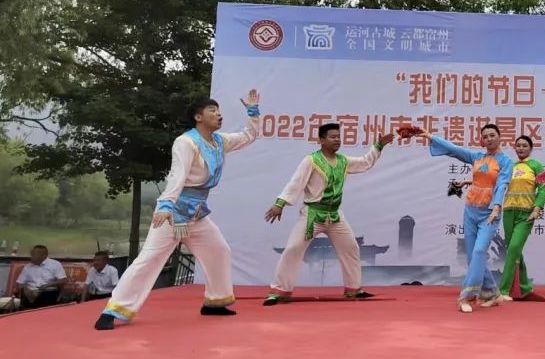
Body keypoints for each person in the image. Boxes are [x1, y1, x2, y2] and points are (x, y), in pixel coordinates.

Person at [94, 90, 261, 330]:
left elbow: (248, 136)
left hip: (197, 213)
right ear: (198, 117)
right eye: (212, 110)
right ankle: (113, 310)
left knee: (219, 251)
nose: (218, 114)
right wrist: (165, 205)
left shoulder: (219, 141)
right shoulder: (186, 142)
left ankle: (215, 302)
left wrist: (253, 112)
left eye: (219, 110)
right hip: (173, 214)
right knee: (149, 259)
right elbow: (177, 175)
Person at [263, 122, 395, 305]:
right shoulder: (311, 160)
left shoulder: (343, 161)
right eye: (332, 137)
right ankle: (279, 290)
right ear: (321, 140)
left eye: (338, 137)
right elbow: (296, 183)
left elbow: (365, 162)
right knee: (293, 248)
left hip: (334, 215)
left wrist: (379, 145)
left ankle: (353, 289)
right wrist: (280, 204)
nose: (337, 140)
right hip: (312, 214)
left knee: (351, 248)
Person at [414, 125, 512, 313]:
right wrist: (429, 136)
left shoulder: (506, 161)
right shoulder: (477, 157)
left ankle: (466, 296)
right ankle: (493, 293)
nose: (489, 139)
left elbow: (502, 184)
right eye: (485, 136)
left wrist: (497, 205)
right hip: (471, 210)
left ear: (500, 137)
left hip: (490, 213)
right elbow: (454, 149)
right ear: (482, 140)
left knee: (479, 251)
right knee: (472, 256)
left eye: (492, 135)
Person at [498, 135, 545, 301]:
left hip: (526, 213)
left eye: (524, 145)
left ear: (531, 148)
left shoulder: (536, 166)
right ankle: (525, 287)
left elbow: (543, 188)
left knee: (514, 248)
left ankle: (503, 290)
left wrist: (537, 208)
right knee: (514, 251)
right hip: (508, 211)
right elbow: (497, 184)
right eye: (518, 145)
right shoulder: (510, 166)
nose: (520, 148)